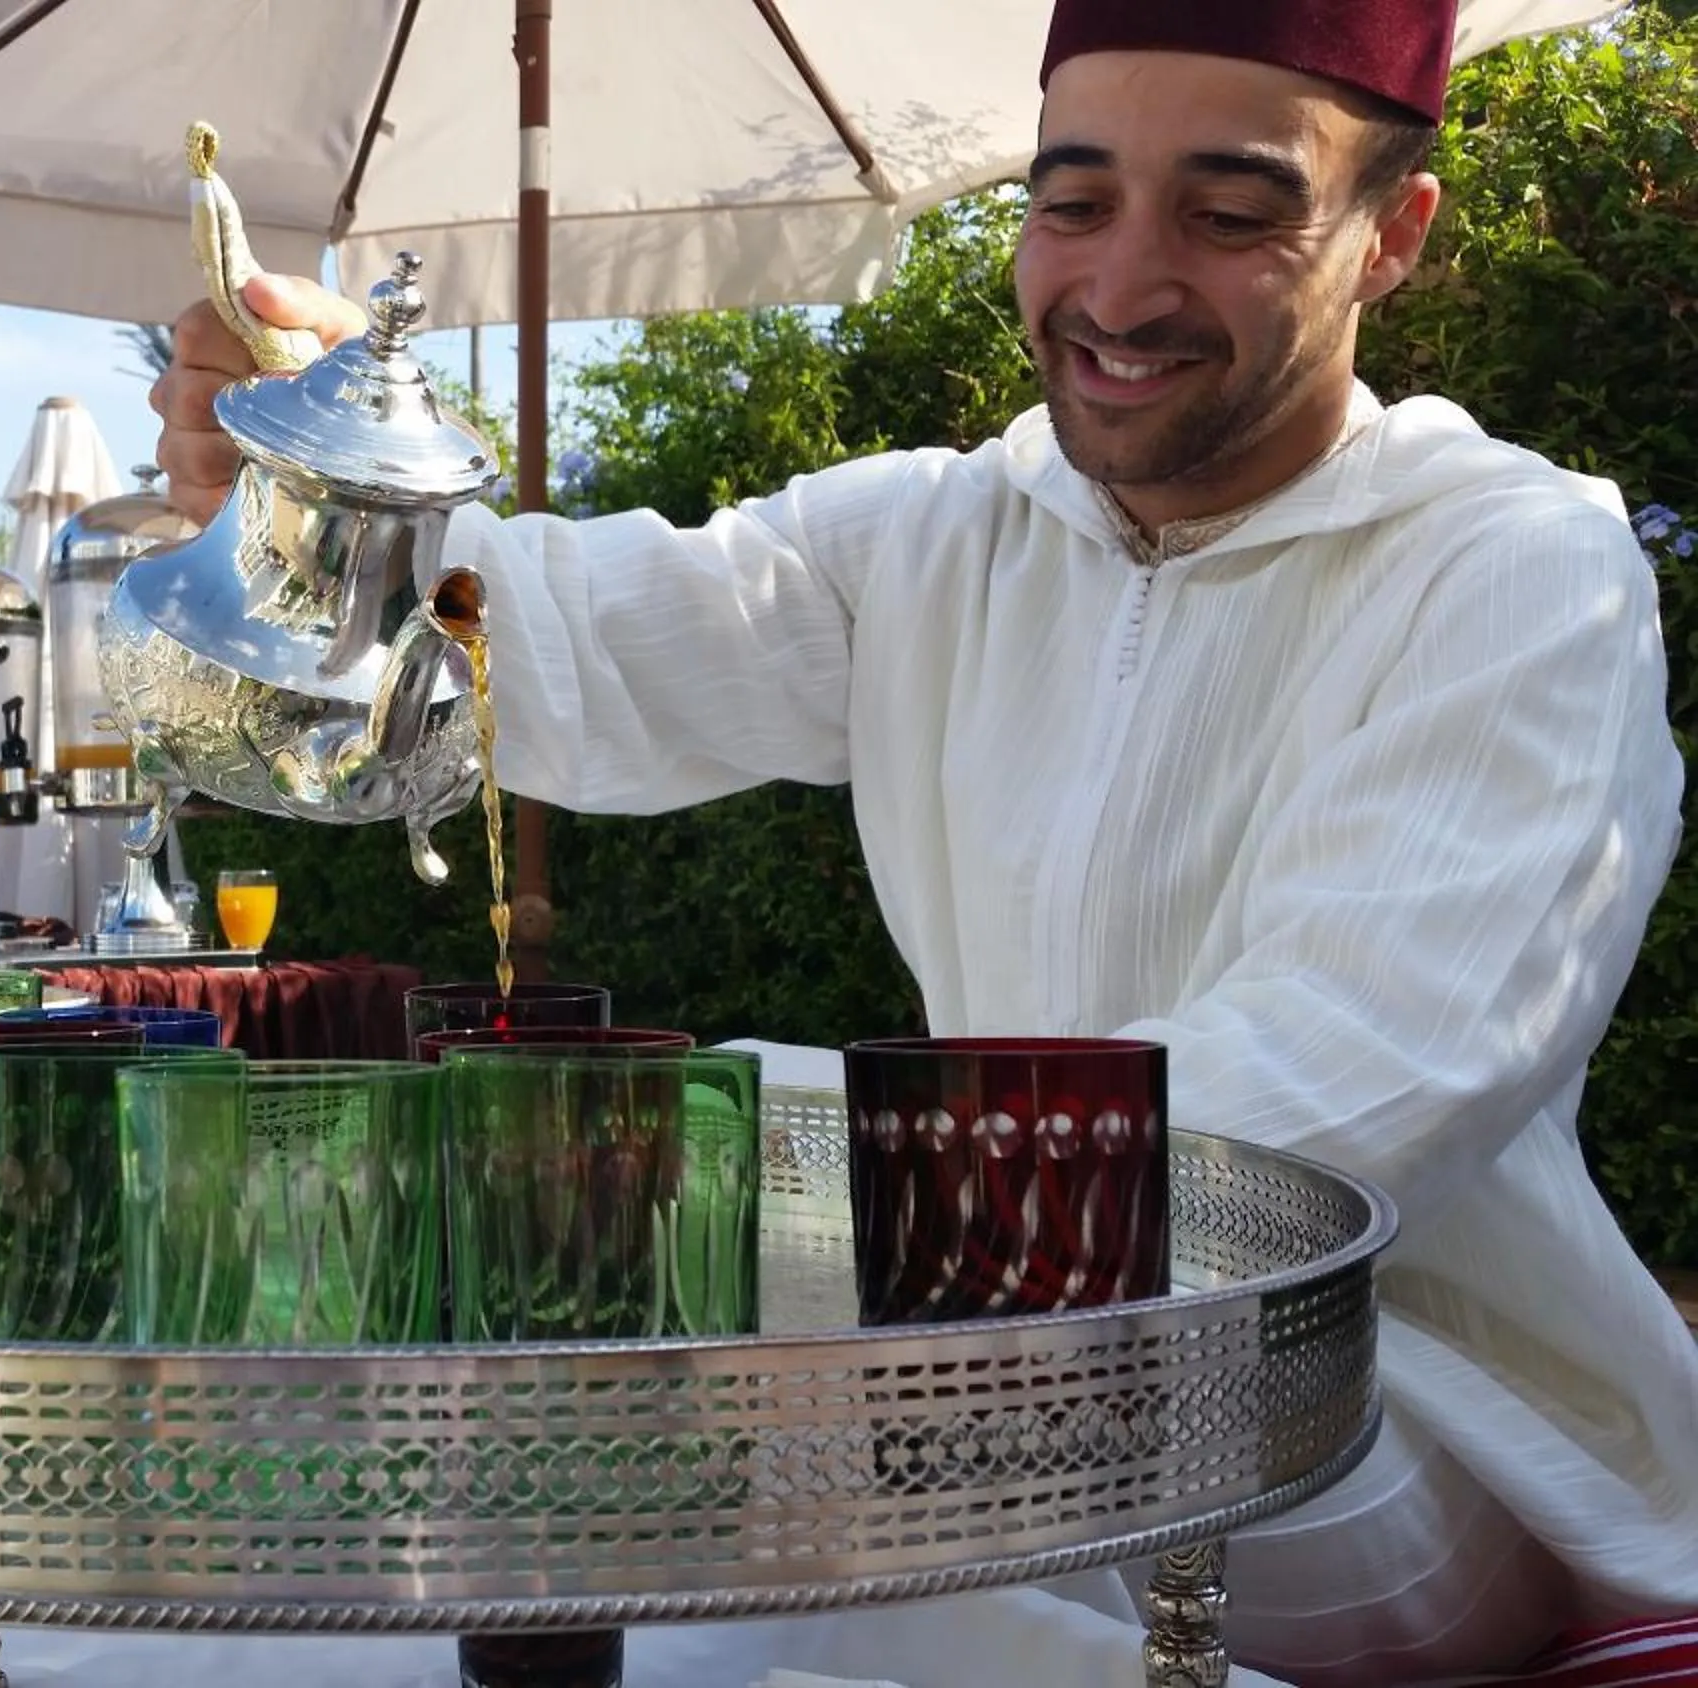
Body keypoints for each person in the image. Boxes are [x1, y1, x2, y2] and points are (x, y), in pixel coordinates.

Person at [154, 0, 1698, 1680]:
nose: (1118, 289)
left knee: (701, 1421)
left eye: (1233, 213)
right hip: (947, 1346)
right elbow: (555, 637)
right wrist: (329, 490)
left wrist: (710, 1152)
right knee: (585, 1435)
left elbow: (1348, 1086)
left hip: (1402, 1427)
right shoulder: (931, 536)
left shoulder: (1512, 565)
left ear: (1390, 236)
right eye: (1075, 201)